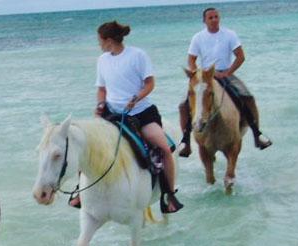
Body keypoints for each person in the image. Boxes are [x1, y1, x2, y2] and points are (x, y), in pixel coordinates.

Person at [68, 20, 181, 213]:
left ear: (109, 40)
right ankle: (81, 190)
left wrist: (136, 98)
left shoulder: (138, 55)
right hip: (112, 113)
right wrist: (100, 104)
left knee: (164, 149)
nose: (99, 44)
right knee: (87, 144)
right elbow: (101, 89)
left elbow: (150, 83)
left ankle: (169, 194)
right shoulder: (102, 60)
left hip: (141, 112)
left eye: (100, 40)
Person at [178, 7, 273, 158]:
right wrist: (197, 74)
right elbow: (191, 59)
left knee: (247, 97)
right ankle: (185, 140)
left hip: (224, 74)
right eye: (210, 18)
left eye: (216, 17)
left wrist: (228, 72)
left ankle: (257, 133)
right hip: (205, 76)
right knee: (184, 104)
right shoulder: (198, 37)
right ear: (204, 21)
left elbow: (240, 56)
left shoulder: (229, 34)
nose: (214, 20)